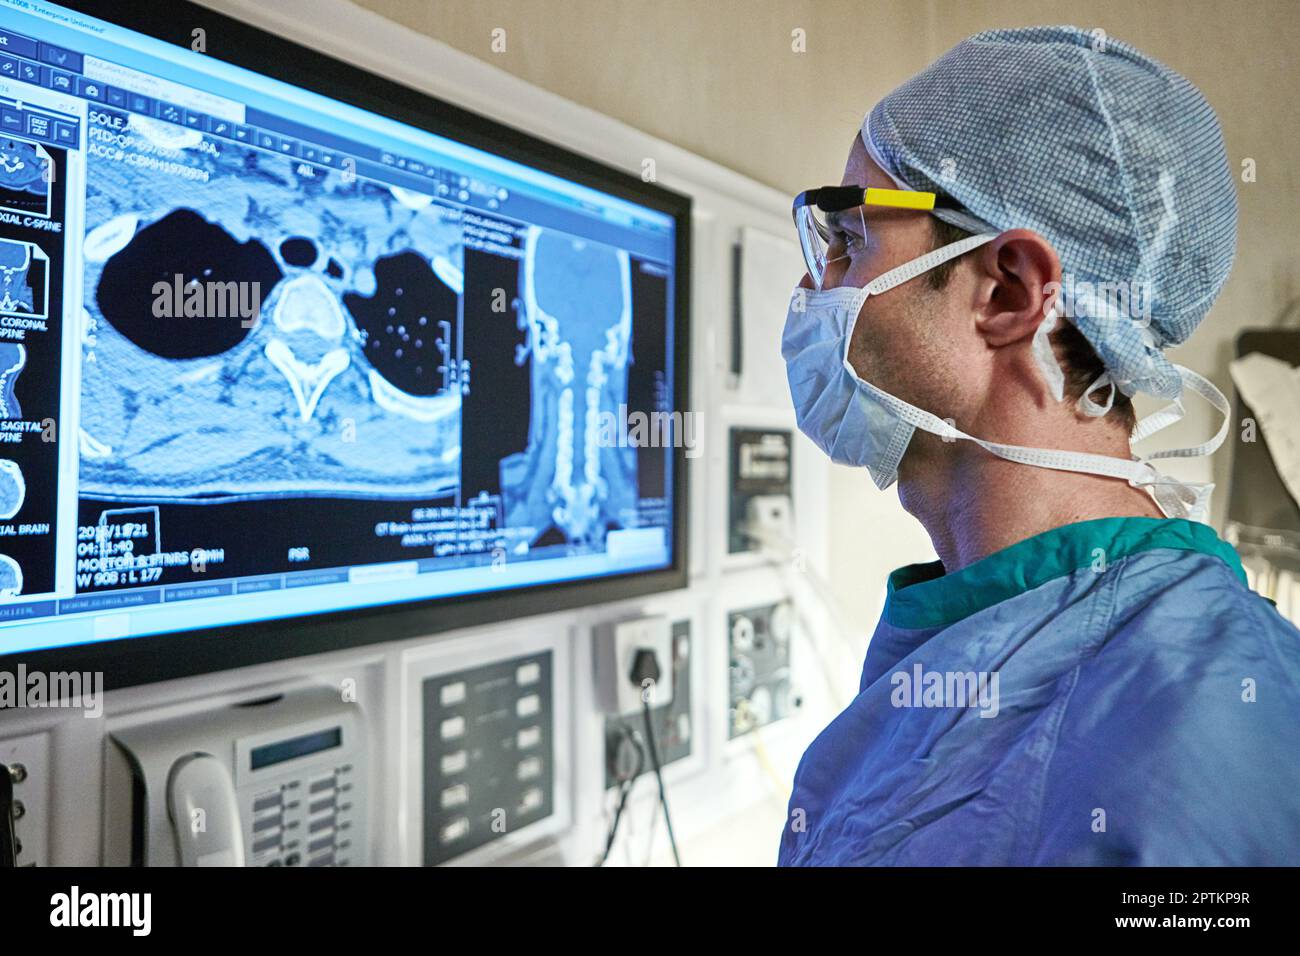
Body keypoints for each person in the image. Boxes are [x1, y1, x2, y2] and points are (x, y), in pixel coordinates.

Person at [778, 26, 1300, 865]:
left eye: (851, 243)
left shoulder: (1210, 742)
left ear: (1009, 291)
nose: (813, 288)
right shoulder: (976, 628)